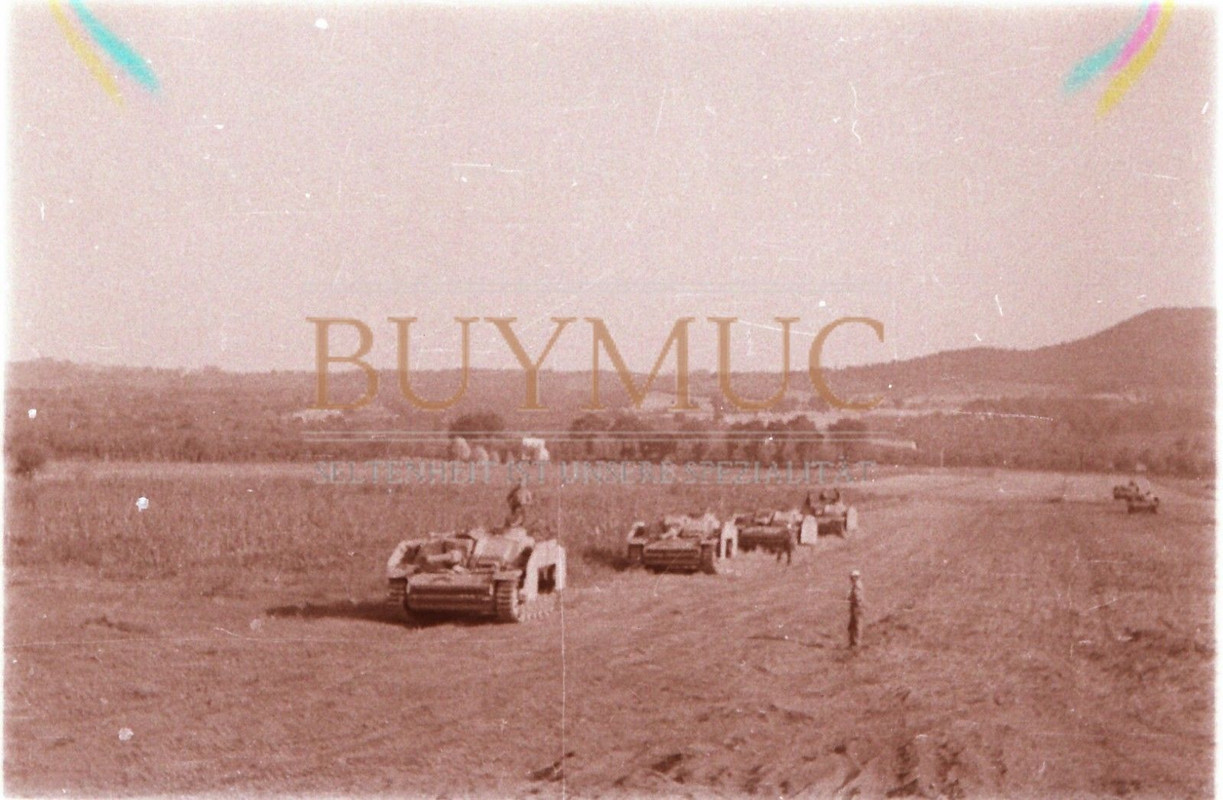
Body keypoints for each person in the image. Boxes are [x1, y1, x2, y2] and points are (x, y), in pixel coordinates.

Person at [847, 570, 863, 650]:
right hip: (855, 607)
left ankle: (856, 644)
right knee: (852, 625)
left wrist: (851, 599)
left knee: (856, 625)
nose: (851, 579)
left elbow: (858, 598)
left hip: (857, 608)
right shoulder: (856, 585)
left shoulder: (857, 586)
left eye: (852, 577)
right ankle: (853, 643)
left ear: (856, 577)